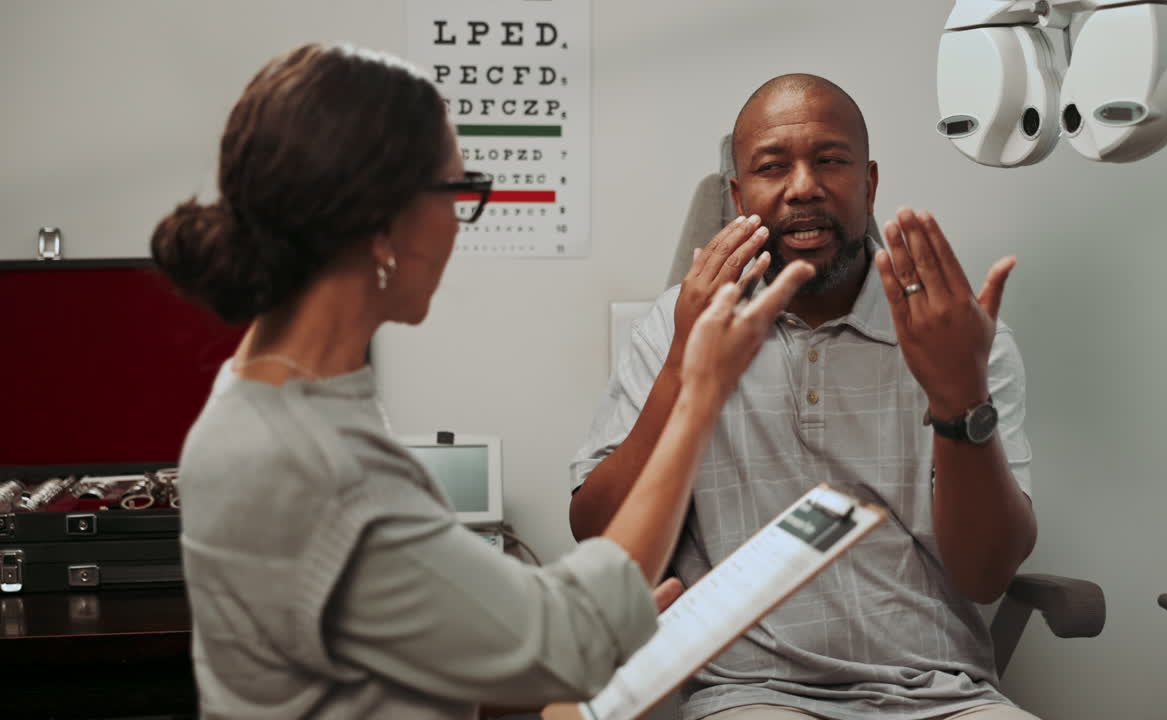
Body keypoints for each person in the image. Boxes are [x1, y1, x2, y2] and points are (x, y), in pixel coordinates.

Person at [149, 43, 815, 719]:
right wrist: (700, 391)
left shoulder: (264, 402)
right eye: (457, 193)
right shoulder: (317, 464)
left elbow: (392, 647)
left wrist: (592, 624)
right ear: (382, 223)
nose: (458, 228)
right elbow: (573, 640)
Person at [569, 74, 1039, 720]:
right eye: (771, 167)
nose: (803, 187)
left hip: (943, 691)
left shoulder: (955, 335)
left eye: (830, 160)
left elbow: (988, 574)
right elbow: (598, 541)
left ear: (868, 184)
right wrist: (685, 361)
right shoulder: (675, 328)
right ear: (738, 198)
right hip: (753, 694)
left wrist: (960, 397)